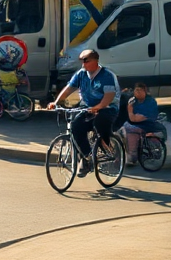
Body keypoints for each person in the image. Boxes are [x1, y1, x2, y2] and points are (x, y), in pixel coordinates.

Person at [47, 48, 119, 176]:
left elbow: (109, 96)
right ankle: (87, 157)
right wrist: (56, 102)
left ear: (95, 61)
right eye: (82, 61)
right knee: (76, 127)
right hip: (87, 107)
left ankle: (106, 146)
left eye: (86, 61)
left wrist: (98, 107)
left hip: (107, 108)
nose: (83, 64)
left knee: (99, 123)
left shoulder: (107, 75)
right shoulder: (81, 74)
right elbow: (69, 89)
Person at [122, 83, 161, 165]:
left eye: (140, 90)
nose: (138, 92)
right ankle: (122, 155)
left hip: (147, 123)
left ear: (145, 91)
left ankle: (132, 156)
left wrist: (130, 110)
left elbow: (137, 118)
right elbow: (132, 118)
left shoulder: (150, 101)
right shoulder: (132, 101)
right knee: (120, 130)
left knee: (131, 130)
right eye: (136, 90)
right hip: (133, 122)